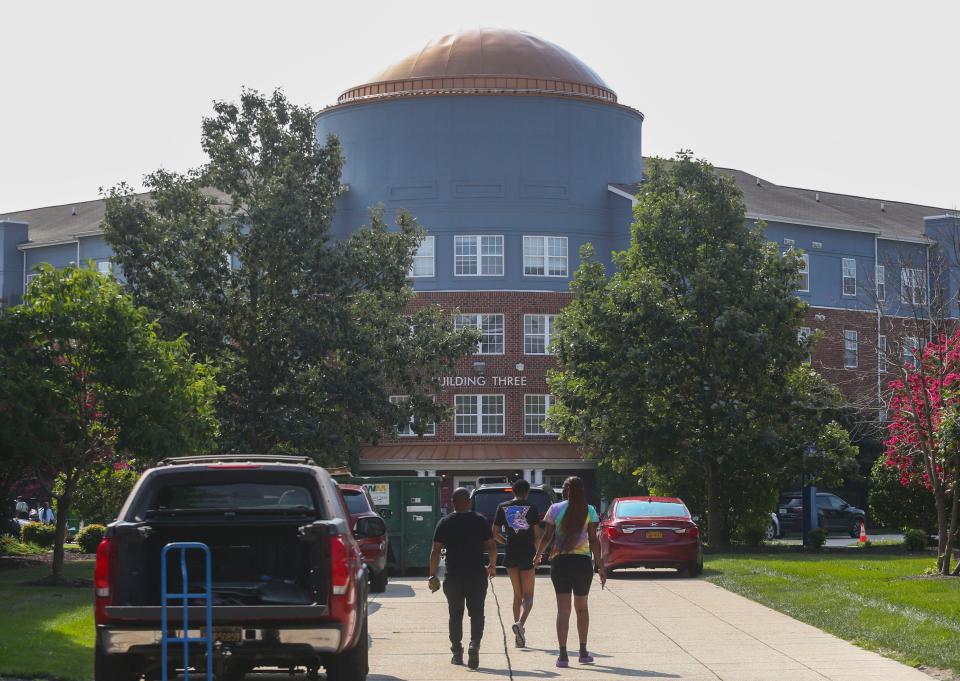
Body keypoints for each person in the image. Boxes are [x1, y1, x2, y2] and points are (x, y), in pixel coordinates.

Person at [534, 476, 605, 668]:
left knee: (563, 610)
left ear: (565, 490)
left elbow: (547, 536)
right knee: (582, 608)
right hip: (582, 564)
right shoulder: (589, 510)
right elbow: (593, 540)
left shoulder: (555, 509)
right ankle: (583, 653)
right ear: (582, 490)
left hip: (560, 563)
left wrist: (537, 556)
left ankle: (563, 656)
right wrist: (601, 566)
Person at [428, 487, 497, 670]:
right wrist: (492, 564)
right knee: (477, 613)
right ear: (468, 502)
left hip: (454, 577)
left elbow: (435, 550)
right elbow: (491, 546)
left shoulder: (445, 522)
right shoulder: (480, 521)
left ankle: (457, 653)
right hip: (476, 575)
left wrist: (432, 574)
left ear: (453, 503)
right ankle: (474, 644)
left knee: (455, 615)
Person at [492, 478, 540, 647]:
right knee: (529, 596)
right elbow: (537, 535)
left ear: (513, 491)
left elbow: (495, 532)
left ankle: (517, 633)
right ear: (527, 492)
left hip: (510, 551)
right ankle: (520, 625)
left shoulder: (502, 507)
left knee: (517, 595)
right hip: (527, 552)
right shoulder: (532, 508)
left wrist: (505, 541)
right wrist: (538, 554)